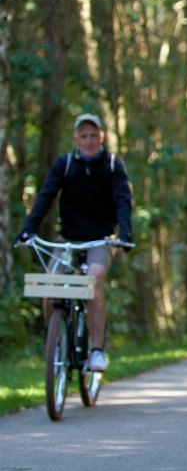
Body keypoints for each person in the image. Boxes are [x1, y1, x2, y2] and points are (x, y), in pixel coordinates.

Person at [17, 113, 134, 372]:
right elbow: (45, 197)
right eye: (83, 135)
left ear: (101, 136)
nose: (89, 140)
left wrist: (125, 234)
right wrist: (27, 230)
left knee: (93, 279)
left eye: (93, 135)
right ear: (76, 138)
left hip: (100, 240)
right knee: (50, 284)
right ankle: (56, 344)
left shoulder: (114, 165)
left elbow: (123, 202)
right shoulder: (65, 164)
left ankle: (96, 350)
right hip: (68, 239)